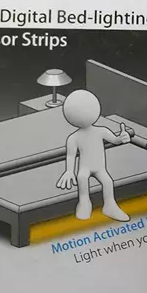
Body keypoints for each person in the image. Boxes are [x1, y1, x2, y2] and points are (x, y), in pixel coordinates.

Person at [56, 89, 131, 221]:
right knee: (82, 178)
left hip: (100, 168)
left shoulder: (102, 131)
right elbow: (70, 156)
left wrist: (122, 137)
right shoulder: (73, 138)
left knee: (108, 182)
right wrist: (69, 171)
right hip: (85, 168)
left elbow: (115, 140)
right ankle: (84, 203)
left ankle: (110, 205)